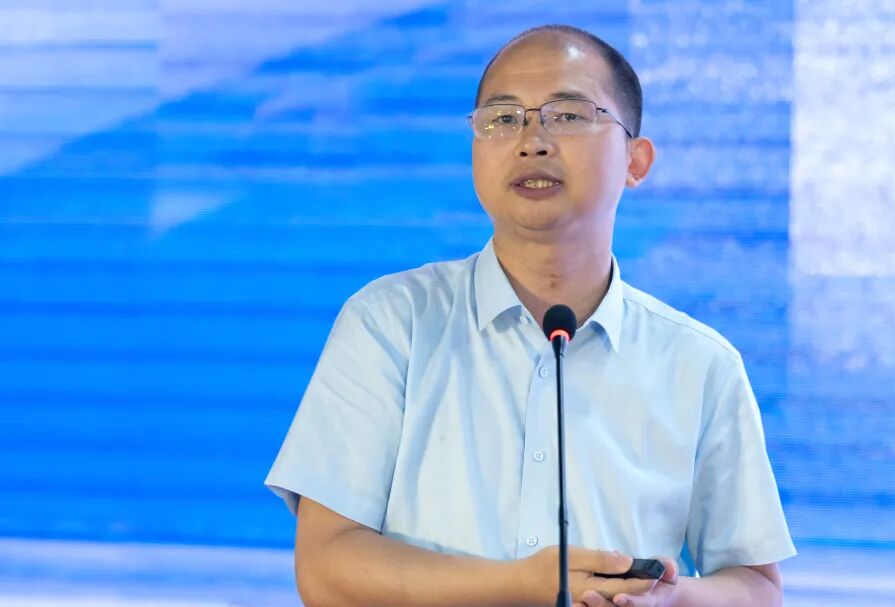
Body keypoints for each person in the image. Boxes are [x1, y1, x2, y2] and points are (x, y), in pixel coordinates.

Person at [265, 24, 795, 607]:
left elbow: (755, 586)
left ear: (636, 160)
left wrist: (669, 601)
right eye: (503, 119)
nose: (531, 141)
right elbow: (327, 567)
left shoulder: (700, 363)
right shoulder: (391, 323)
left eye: (568, 116)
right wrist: (528, 585)